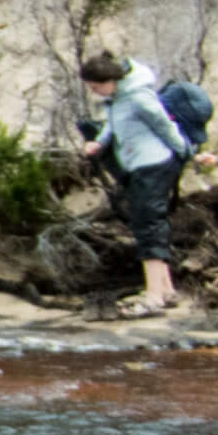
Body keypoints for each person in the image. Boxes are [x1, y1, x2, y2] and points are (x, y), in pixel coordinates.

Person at [79, 51, 193, 315]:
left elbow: (165, 126)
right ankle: (165, 290)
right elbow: (113, 124)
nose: (94, 91)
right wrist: (99, 142)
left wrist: (187, 153)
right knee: (146, 223)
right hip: (139, 166)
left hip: (153, 165)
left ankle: (153, 296)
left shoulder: (139, 97)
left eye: (96, 86)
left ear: (110, 80)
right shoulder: (118, 99)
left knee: (148, 225)